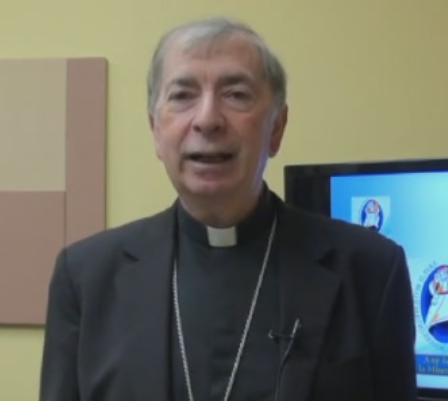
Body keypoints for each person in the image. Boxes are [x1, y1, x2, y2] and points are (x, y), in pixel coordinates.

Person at [39, 16, 418, 401]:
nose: (207, 119)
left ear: (276, 127)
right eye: (182, 95)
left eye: (236, 94)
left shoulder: (370, 269)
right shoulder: (86, 278)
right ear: (155, 129)